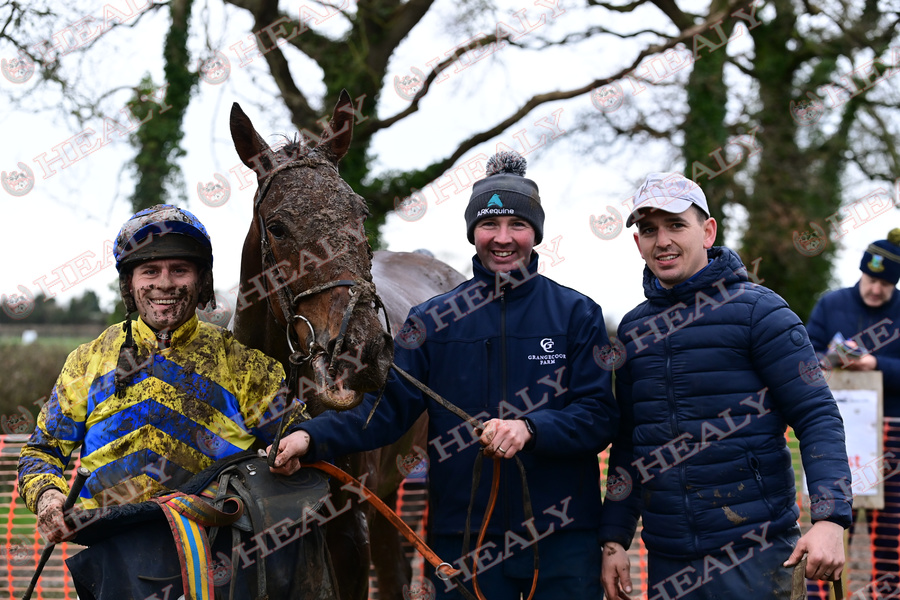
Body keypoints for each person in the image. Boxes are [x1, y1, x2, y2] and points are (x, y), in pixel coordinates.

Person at [268, 151, 619, 599]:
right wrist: (310, 437)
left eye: (518, 225)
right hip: (463, 540)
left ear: (537, 233)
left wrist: (531, 429)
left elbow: (598, 415)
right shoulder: (432, 320)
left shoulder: (577, 313)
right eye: (490, 225)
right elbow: (386, 409)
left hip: (561, 541)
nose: (503, 239)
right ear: (473, 232)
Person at [17, 205, 318, 596]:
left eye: (180, 270)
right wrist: (48, 496)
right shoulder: (87, 361)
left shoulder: (240, 362)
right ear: (129, 283)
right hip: (112, 555)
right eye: (150, 271)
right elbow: (42, 451)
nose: (165, 283)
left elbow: (294, 430)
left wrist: (292, 447)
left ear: (201, 281)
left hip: (219, 558)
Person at [599, 173, 853, 599]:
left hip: (754, 555)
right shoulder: (633, 330)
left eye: (676, 225)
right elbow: (630, 443)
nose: (662, 240)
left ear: (708, 230)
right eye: (648, 229)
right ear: (637, 242)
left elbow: (817, 415)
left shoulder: (761, 312)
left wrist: (829, 519)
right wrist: (613, 540)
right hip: (667, 558)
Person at [806, 229, 900, 592]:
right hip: (836, 438)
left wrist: (875, 362)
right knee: (828, 531)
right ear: (862, 271)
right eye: (872, 279)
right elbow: (806, 355)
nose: (876, 289)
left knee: (889, 537)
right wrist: (829, 360)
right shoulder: (831, 304)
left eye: (886, 284)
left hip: (889, 440)